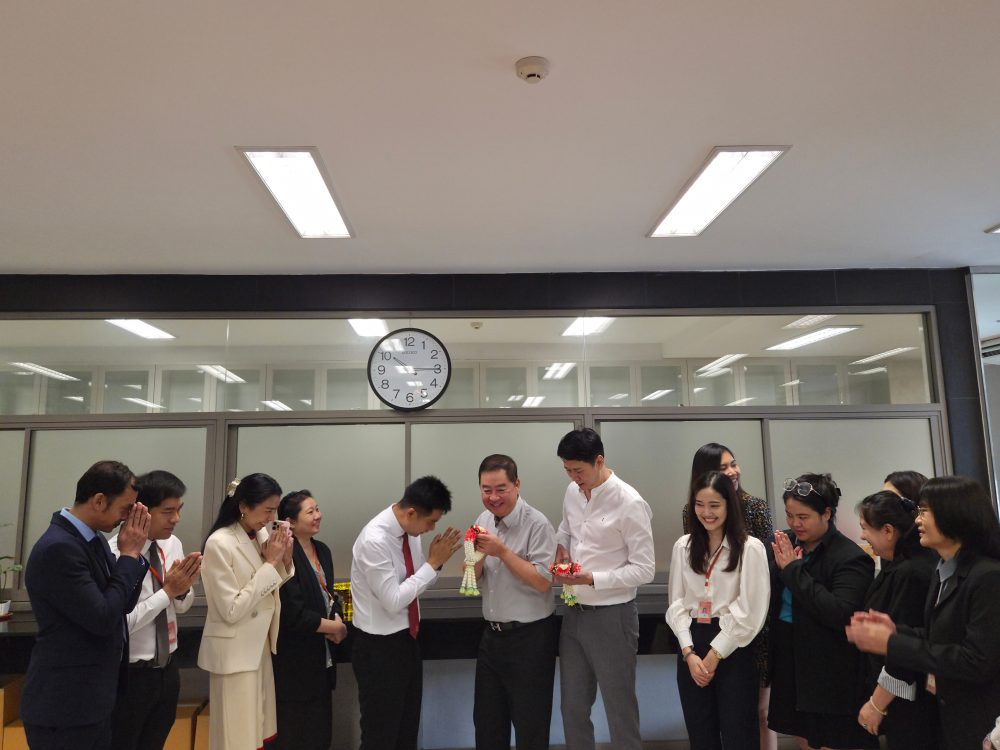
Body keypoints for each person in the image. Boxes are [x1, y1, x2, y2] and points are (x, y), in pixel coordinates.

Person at [846, 476, 1000, 750]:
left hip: (982, 724)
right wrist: (895, 631)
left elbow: (975, 660)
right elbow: (939, 635)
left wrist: (893, 643)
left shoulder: (987, 577)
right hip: (950, 719)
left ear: (954, 515)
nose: (917, 520)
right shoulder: (943, 570)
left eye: (925, 511)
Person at [21, 460, 151, 750]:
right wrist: (129, 555)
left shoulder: (94, 539)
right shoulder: (59, 547)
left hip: (93, 700)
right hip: (64, 706)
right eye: (126, 508)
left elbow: (122, 603)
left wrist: (134, 555)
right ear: (99, 501)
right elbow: (102, 617)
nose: (127, 518)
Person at [552, 427, 655, 750]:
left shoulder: (630, 502)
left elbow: (645, 569)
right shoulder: (572, 492)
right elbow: (567, 527)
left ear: (599, 461)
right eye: (567, 470)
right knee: (572, 707)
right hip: (574, 611)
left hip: (613, 616)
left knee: (619, 709)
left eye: (578, 471)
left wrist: (593, 578)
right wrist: (561, 546)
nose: (574, 478)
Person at [350, 475, 462, 750]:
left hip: (407, 640)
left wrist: (434, 565)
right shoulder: (374, 541)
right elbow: (393, 599)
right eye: (430, 522)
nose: (431, 528)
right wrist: (431, 565)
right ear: (411, 512)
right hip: (377, 648)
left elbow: (417, 583)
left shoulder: (409, 531)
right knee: (380, 735)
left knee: (406, 730)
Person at [768, 473, 877, 750]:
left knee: (830, 738)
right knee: (800, 732)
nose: (794, 523)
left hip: (828, 664)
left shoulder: (851, 557)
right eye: (789, 515)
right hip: (789, 652)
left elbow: (839, 612)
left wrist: (793, 570)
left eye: (803, 517)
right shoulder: (786, 543)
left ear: (826, 513)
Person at [681, 442, 775, 750]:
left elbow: (752, 602)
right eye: (700, 505)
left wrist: (715, 653)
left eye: (715, 506)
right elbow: (679, 600)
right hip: (695, 636)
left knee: (743, 726)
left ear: (728, 506)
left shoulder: (750, 543)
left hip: (739, 634)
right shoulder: (685, 544)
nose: (706, 513)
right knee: (701, 729)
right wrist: (689, 652)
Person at [198, 473, 294, 750]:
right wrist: (271, 563)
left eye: (274, 510)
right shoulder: (219, 542)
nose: (271, 518)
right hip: (234, 653)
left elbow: (267, 589)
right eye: (267, 510)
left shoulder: (258, 534)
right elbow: (231, 609)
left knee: (259, 731)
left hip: (258, 647)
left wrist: (284, 561)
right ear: (243, 506)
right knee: (236, 736)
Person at [110, 470, 202, 750]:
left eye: (179, 509)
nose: (176, 519)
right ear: (141, 510)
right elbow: (119, 623)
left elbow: (181, 606)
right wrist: (168, 592)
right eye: (168, 511)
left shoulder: (172, 543)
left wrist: (182, 590)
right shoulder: (114, 552)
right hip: (130, 674)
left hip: (167, 669)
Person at [471, 454, 557, 750]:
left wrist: (503, 552)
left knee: (531, 726)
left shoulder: (537, 524)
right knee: (487, 725)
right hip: (491, 637)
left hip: (530, 638)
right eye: (486, 490)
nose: (493, 497)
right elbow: (471, 576)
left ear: (517, 485)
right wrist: (474, 559)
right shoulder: (482, 521)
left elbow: (544, 581)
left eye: (501, 489)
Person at [851, 489, 938, 748]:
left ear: (888, 531)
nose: (862, 536)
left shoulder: (911, 571)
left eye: (865, 528)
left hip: (911, 703)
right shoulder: (900, 564)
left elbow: (902, 651)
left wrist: (876, 704)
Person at [272, 490, 348, 750]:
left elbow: (330, 595)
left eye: (317, 509)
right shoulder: (284, 554)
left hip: (322, 659)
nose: (318, 515)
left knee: (320, 735)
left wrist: (338, 619)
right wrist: (334, 627)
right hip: (294, 662)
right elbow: (292, 613)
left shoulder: (322, 550)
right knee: (294, 736)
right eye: (310, 511)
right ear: (290, 522)